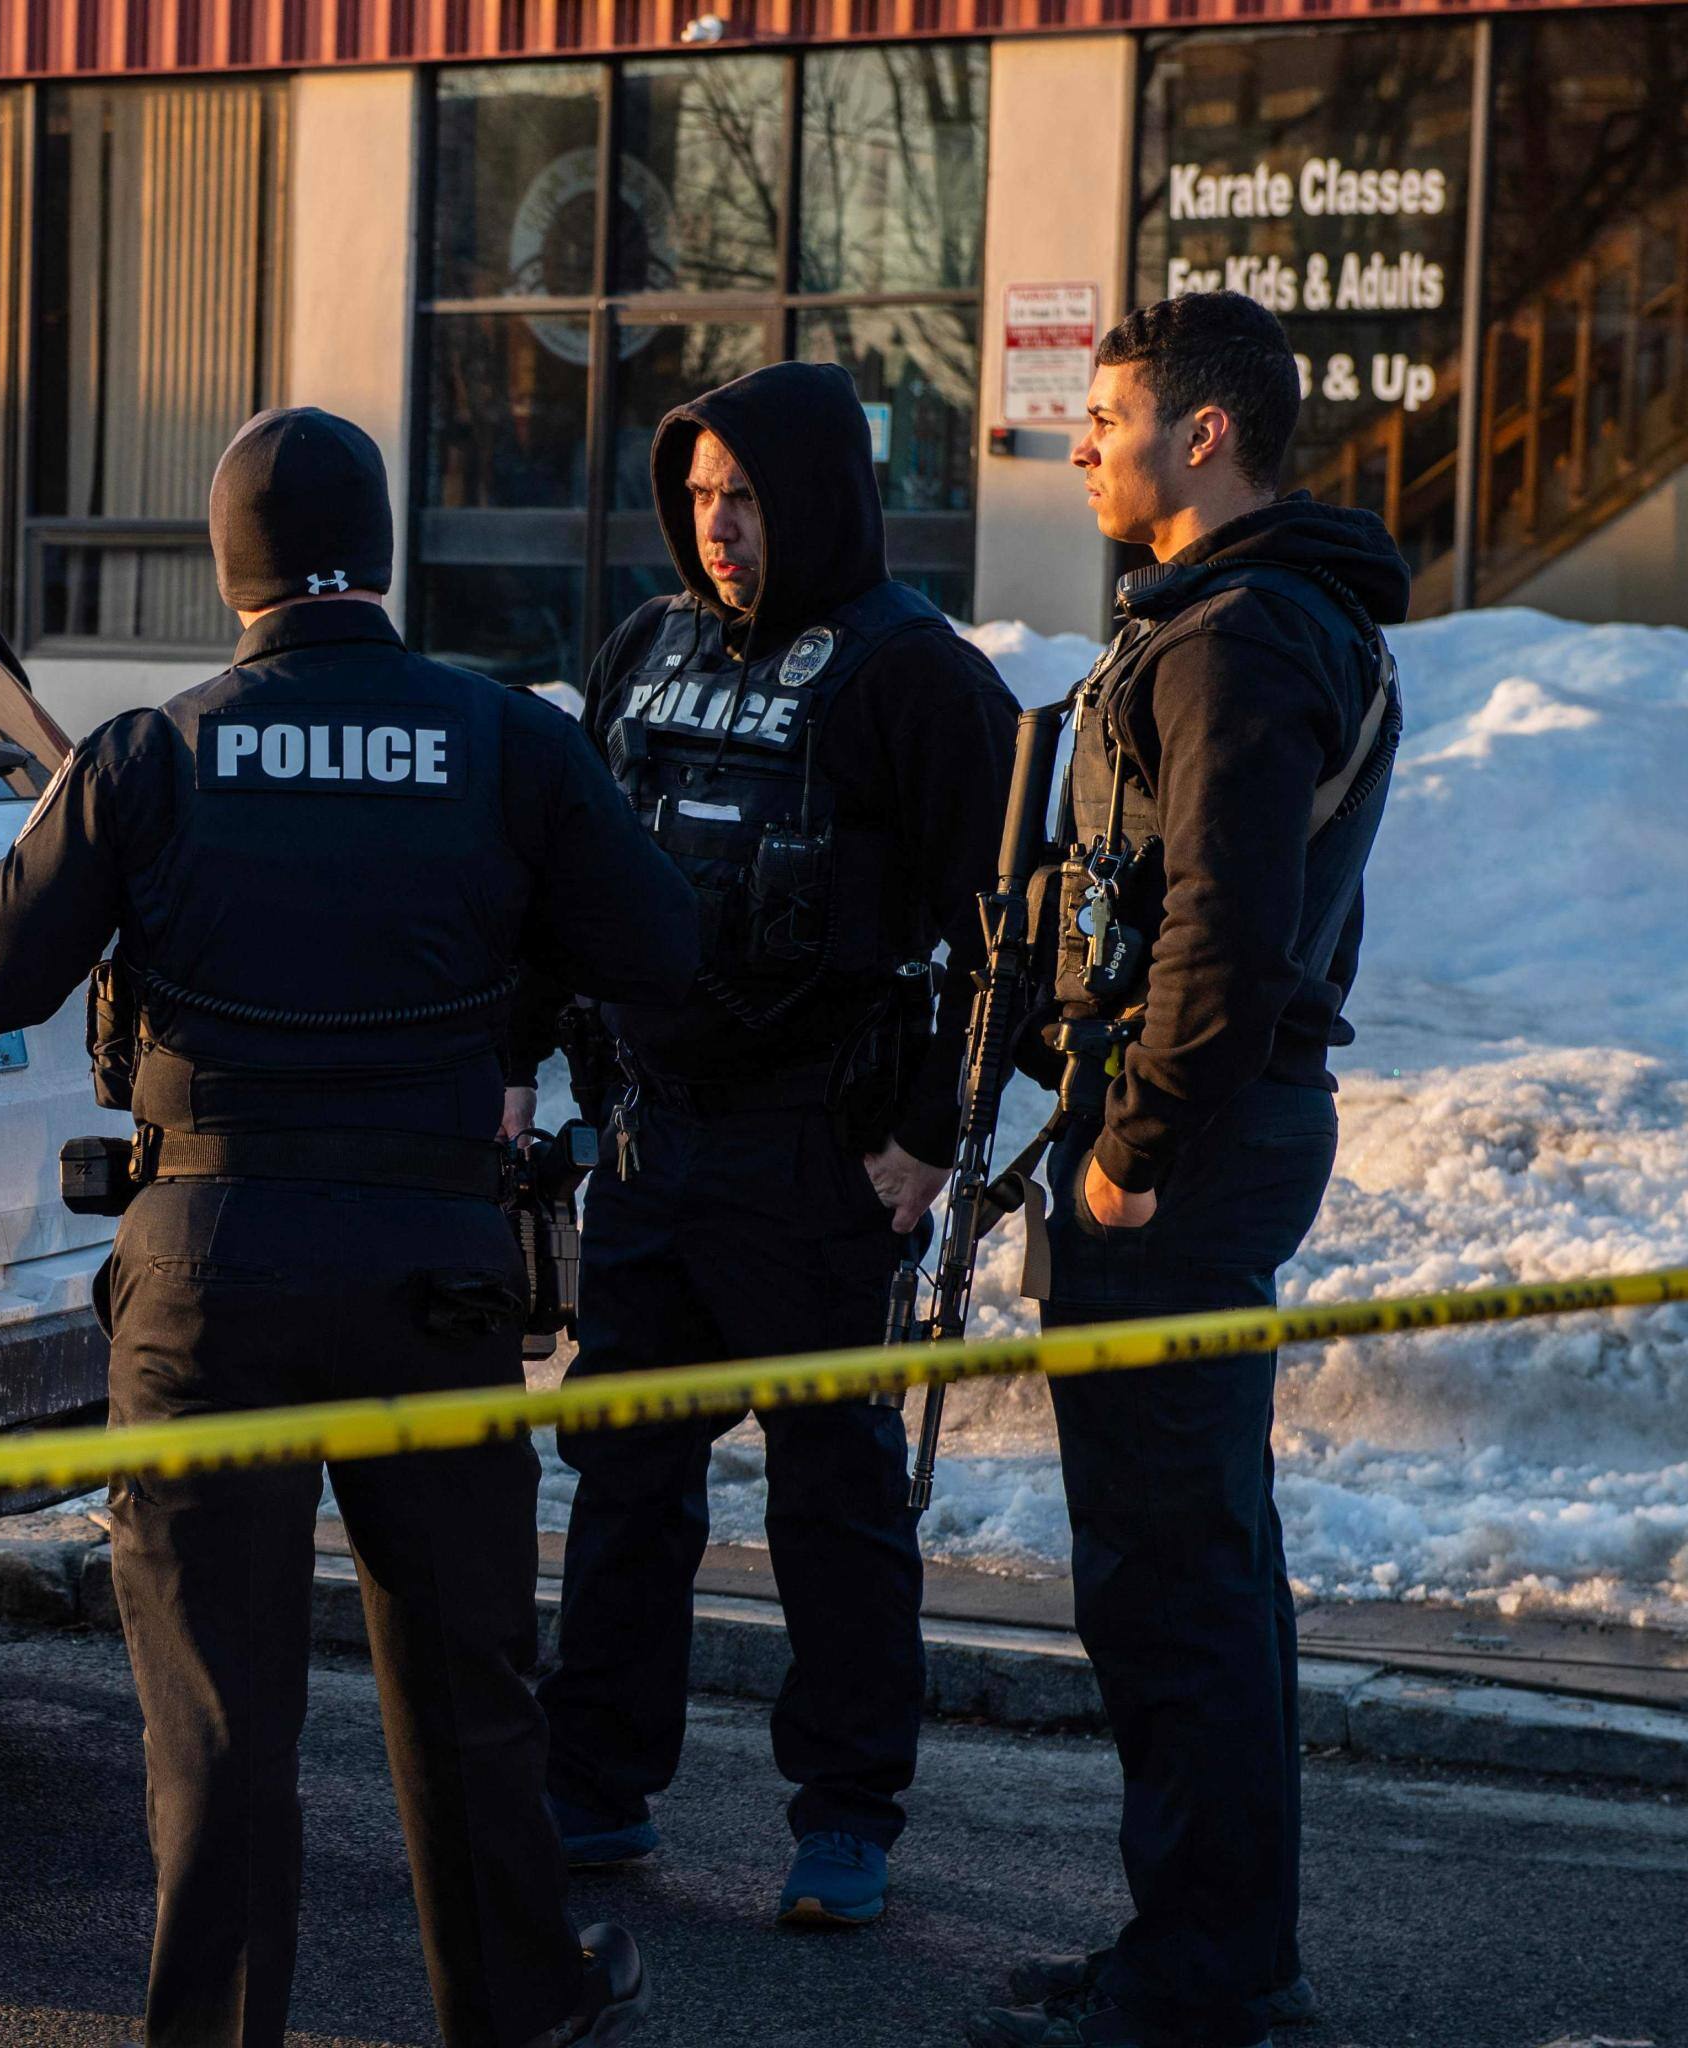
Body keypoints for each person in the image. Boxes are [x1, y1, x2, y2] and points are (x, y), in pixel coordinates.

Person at [0, 406, 698, 2048]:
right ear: (384, 557)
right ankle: (518, 2009)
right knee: (464, 1687)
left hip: (209, 1268)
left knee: (219, 1716)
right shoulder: (503, 739)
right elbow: (662, 947)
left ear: (232, 573)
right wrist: (511, 1025)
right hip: (432, 1268)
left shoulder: (152, 748)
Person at [513, 361, 1017, 1927]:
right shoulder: (643, 650)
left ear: (816, 496)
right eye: (700, 495)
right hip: (656, 1150)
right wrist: (527, 1065)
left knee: (835, 1498)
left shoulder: (913, 676)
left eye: (747, 496)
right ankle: (589, 1790)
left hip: (820, 1157)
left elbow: (1008, 933)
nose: (719, 526)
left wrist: (932, 1138)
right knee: (626, 1478)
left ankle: (845, 1816)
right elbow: (566, 874)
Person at [965, 292, 1406, 2048]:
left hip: (1188, 1147)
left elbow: (1223, 929)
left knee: (1175, 1581)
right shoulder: (1234, 623)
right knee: (1190, 1567)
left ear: (1204, 435)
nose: (1081, 442)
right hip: (1202, 1130)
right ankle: (1205, 1948)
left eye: (1111, 411)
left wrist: (1133, 1153)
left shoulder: (1235, 636)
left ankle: (1210, 1975)